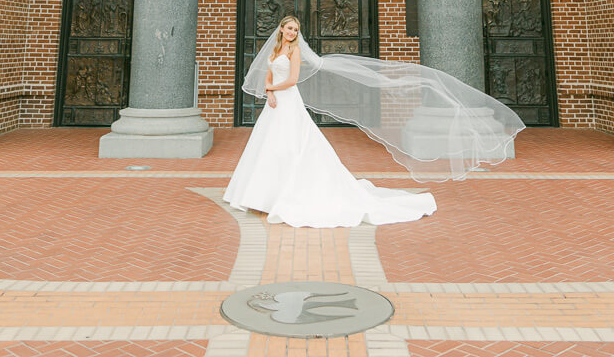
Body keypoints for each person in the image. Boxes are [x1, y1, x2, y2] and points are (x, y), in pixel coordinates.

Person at [224, 15, 524, 229]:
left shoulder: (296, 51)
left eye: (296, 30)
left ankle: (284, 195)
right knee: (269, 147)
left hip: (288, 102)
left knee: (291, 148)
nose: (292, 32)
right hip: (275, 104)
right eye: (289, 28)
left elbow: (290, 79)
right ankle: (261, 196)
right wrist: (268, 89)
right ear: (281, 29)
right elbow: (268, 73)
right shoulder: (276, 49)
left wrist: (272, 91)